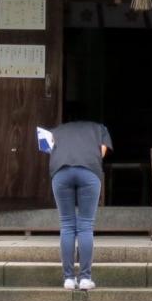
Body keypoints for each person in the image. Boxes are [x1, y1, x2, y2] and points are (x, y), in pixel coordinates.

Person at [47, 109, 112, 291]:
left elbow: (48, 150)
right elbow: (102, 151)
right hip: (89, 171)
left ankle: (68, 278)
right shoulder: (99, 129)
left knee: (67, 224)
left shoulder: (57, 130)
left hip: (61, 172)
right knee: (85, 225)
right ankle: (85, 278)